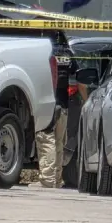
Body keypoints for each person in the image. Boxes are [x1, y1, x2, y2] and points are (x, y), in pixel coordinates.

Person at [31, 36, 79, 189]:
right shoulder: (68, 54)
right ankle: (57, 180)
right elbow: (78, 76)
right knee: (58, 142)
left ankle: (47, 180)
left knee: (46, 140)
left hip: (48, 103)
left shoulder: (43, 52)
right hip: (64, 105)